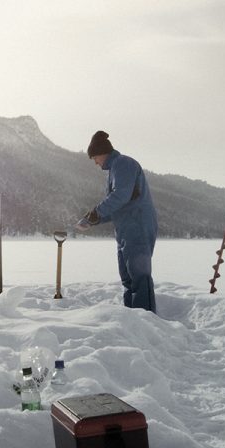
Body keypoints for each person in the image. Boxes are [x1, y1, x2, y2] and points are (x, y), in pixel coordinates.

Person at [77, 131, 159, 313]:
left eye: (94, 158)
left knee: (139, 277)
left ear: (101, 152)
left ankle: (145, 321)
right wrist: (93, 221)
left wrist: (95, 214)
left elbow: (120, 196)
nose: (95, 162)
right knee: (128, 279)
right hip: (125, 230)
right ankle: (131, 317)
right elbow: (117, 206)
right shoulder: (115, 170)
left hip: (137, 226)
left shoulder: (123, 164)